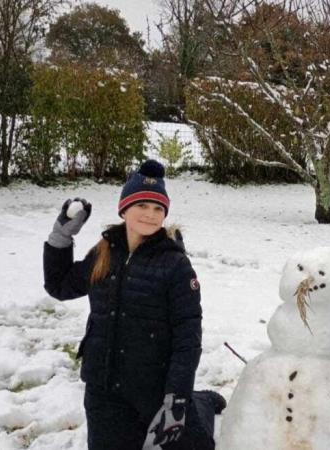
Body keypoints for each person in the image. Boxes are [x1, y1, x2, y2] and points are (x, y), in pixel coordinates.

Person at [43, 160, 221, 450]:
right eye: (142, 205)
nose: (150, 215)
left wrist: (176, 398)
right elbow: (60, 286)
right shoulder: (103, 253)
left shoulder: (175, 264)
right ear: (124, 208)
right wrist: (62, 237)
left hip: (156, 388)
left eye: (158, 209)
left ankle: (198, 402)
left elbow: (188, 336)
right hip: (105, 388)